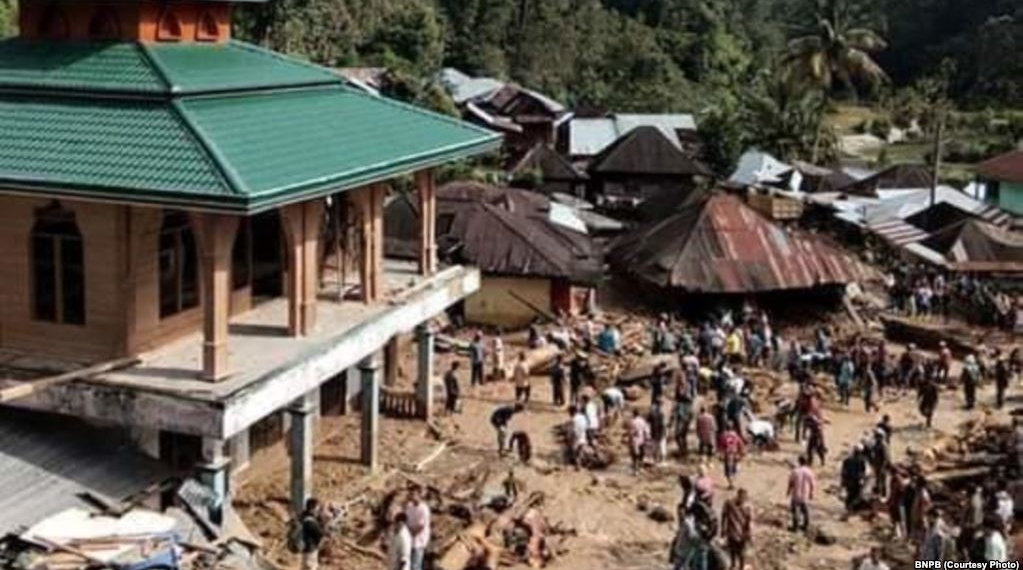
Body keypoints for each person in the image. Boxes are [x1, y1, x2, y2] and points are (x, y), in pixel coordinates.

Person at [720, 489, 753, 570]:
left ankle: (734, 565)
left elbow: (724, 515)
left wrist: (723, 528)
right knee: (739, 551)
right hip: (738, 533)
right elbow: (750, 522)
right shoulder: (746, 507)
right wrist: (750, 535)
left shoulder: (729, 503)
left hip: (736, 533)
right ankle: (737, 566)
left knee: (735, 550)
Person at [786, 455, 816, 533]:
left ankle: (795, 527)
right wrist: (811, 493)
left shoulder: (795, 471)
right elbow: (812, 484)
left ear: (799, 461)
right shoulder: (809, 471)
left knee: (795, 511)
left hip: (796, 494)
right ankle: (805, 526)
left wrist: (788, 491)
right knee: (805, 511)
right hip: (805, 494)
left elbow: (791, 483)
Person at [405, 486, 431, 570]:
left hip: (419, 541)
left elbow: (421, 526)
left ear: (419, 495)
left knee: (415, 566)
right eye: (411, 494)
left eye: (414, 494)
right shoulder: (409, 507)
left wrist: (409, 532)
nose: (412, 496)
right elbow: (406, 521)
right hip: (409, 541)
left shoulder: (423, 509)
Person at [298, 498, 325, 570]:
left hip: (307, 550)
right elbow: (320, 533)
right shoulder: (310, 522)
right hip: (311, 550)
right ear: (312, 508)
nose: (318, 510)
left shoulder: (305, 518)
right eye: (317, 508)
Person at [718, 422, 745, 490]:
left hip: (727, 455)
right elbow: (740, 444)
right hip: (735, 454)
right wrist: (741, 453)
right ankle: (733, 482)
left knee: (728, 470)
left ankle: (731, 483)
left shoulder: (723, 436)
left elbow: (720, 446)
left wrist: (720, 454)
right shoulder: (736, 435)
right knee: (734, 469)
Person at [841, 446, 868, 512]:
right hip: (857, 481)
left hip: (849, 481)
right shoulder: (862, 460)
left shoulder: (847, 460)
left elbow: (843, 471)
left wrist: (843, 481)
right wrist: (863, 479)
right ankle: (853, 508)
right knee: (856, 495)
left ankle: (848, 508)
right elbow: (864, 472)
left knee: (850, 494)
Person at [628, 409, 651, 474]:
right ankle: (640, 468)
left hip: (635, 440)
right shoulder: (642, 421)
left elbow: (631, 432)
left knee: (634, 455)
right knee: (641, 454)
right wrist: (647, 438)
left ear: (634, 414)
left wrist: (629, 440)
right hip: (642, 439)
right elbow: (646, 429)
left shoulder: (633, 421)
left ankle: (635, 469)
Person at [870, 430, 891, 499]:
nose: (875, 437)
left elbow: (885, 457)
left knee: (882, 480)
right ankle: (878, 493)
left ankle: (883, 495)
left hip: (881, 466)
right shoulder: (877, 443)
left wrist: (883, 467)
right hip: (877, 465)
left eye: (876, 436)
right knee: (878, 479)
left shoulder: (883, 445)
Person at [649, 400, 668, 465]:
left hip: (655, 433)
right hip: (659, 433)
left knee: (656, 447)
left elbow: (648, 420)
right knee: (661, 447)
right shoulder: (661, 414)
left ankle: (656, 460)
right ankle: (661, 460)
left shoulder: (653, 413)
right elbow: (663, 425)